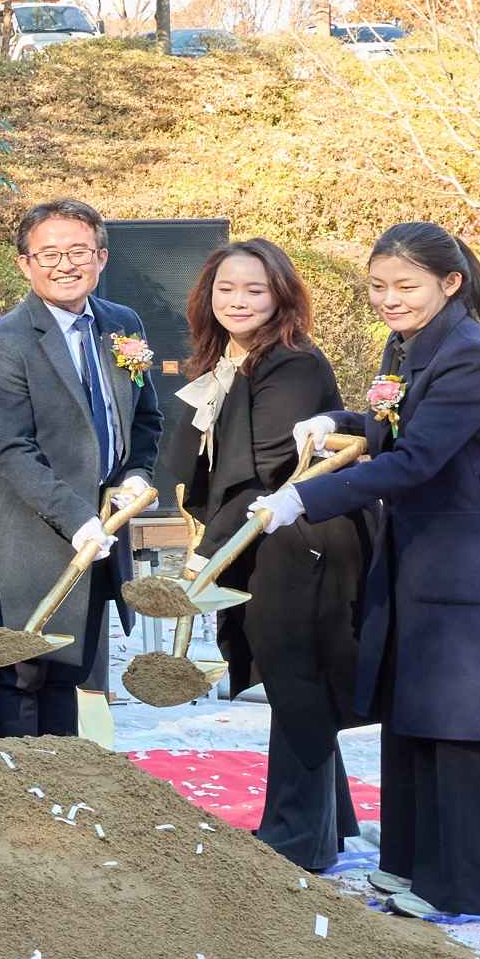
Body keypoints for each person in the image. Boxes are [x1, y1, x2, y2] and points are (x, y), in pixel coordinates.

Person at [251, 222, 480, 918]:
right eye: (378, 286)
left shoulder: (470, 355)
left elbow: (416, 458)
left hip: (469, 559)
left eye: (404, 286)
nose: (389, 299)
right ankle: (409, 865)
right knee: (412, 708)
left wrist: (303, 498)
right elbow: (393, 427)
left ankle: (462, 888)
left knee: (464, 718)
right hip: (413, 551)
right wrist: (337, 420)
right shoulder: (404, 344)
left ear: (451, 282)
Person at [159, 238, 368, 870]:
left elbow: (273, 468)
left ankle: (295, 842)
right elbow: (187, 456)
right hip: (257, 536)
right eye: (227, 289)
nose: (239, 301)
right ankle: (325, 827)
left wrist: (205, 555)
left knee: (298, 680)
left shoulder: (294, 366)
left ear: (281, 295)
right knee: (291, 680)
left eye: (255, 289)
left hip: (301, 542)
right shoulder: (225, 365)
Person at [0, 197, 165, 738]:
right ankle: (17, 803)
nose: (65, 264)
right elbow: (9, 450)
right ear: (25, 264)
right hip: (33, 539)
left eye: (78, 251)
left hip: (105, 533)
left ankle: (62, 799)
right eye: (48, 253)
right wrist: (78, 519)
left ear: (101, 257)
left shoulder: (122, 325)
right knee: (23, 675)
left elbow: (146, 419)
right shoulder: (3, 344)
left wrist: (138, 475)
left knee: (74, 676)